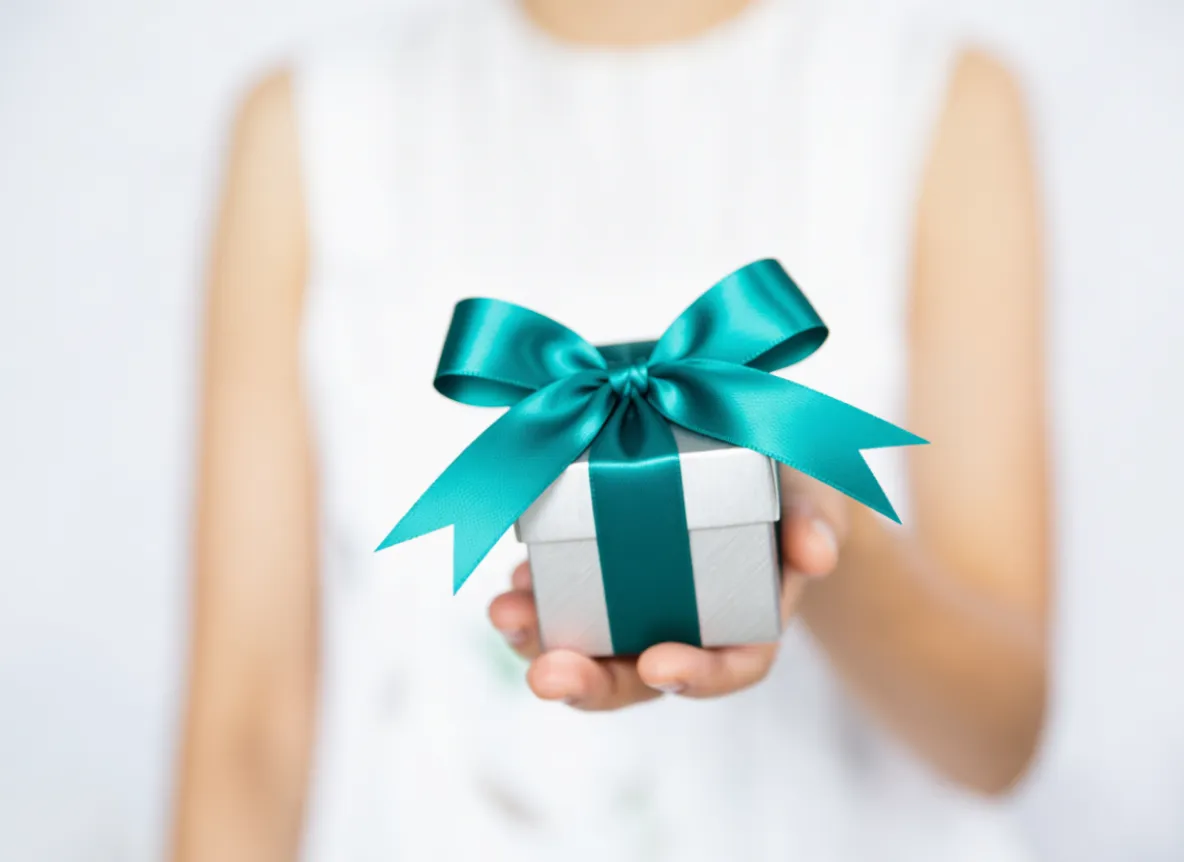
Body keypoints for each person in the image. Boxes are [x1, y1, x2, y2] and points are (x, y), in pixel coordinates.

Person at [171, 0, 1048, 859]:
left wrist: (820, 539)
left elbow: (1002, 738)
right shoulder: (315, 125)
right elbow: (247, 743)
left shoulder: (930, 97)